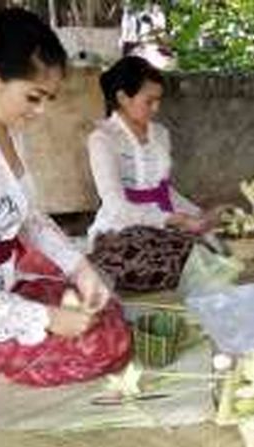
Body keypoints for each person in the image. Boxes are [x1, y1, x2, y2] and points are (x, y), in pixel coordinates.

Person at [0, 8, 131, 386]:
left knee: (105, 310)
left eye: (47, 98)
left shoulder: (4, 134)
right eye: (33, 97)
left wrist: (80, 269)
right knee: (97, 345)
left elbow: (29, 218)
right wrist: (44, 318)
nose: (41, 111)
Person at [87, 56, 220, 292]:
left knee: (208, 250)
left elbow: (163, 191)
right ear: (122, 98)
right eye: (149, 101)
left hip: (161, 226)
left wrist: (197, 215)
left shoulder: (160, 134)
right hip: (119, 229)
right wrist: (174, 219)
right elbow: (116, 205)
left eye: (159, 100)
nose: (156, 108)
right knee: (147, 254)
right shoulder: (102, 139)